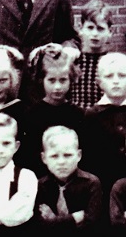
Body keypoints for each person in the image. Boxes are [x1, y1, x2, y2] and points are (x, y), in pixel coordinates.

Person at [80, 53, 126, 196]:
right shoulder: (92, 115)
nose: (116, 81)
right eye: (109, 76)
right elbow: (87, 156)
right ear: (99, 82)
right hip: (103, 184)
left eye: (122, 76)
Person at [20, 43, 85, 176]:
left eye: (63, 80)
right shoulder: (31, 115)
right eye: (51, 80)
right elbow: (28, 156)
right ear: (42, 80)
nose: (57, 87)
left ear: (71, 80)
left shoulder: (79, 115)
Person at [69, 0, 113, 110]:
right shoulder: (72, 60)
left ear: (110, 31)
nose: (94, 34)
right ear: (80, 28)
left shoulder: (112, 64)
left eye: (100, 28)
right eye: (90, 27)